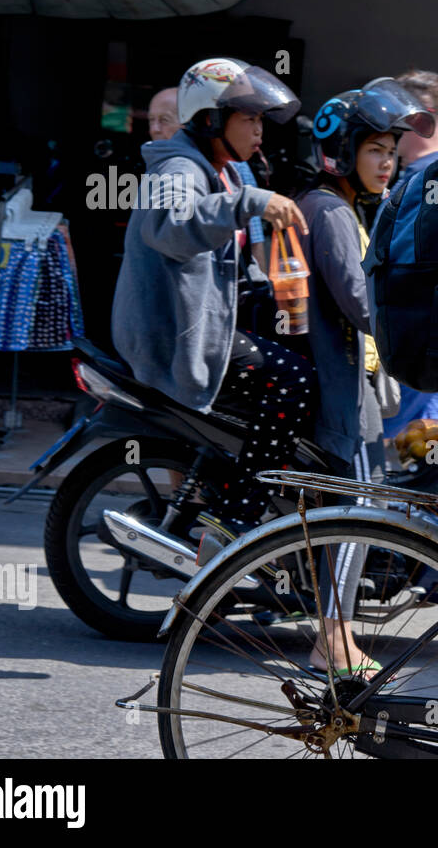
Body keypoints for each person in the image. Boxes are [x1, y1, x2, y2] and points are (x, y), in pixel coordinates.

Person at [112, 57, 313, 539]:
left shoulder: (228, 171)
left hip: (205, 326)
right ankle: (235, 519)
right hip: (175, 337)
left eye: (261, 118)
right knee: (293, 380)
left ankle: (235, 492)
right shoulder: (177, 166)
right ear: (210, 119)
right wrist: (250, 203)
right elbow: (171, 226)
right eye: (249, 118)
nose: (259, 130)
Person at [296, 78, 436, 675]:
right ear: (344, 150)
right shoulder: (328, 210)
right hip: (341, 390)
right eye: (376, 149)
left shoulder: (348, 208)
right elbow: (360, 302)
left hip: (353, 382)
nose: (389, 161)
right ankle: (333, 639)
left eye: (392, 150)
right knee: (360, 508)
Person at [382, 69, 438, 448]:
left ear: (420, 117)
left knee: (403, 488)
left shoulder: (427, 179)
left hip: (417, 355)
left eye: (391, 114)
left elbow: (402, 272)